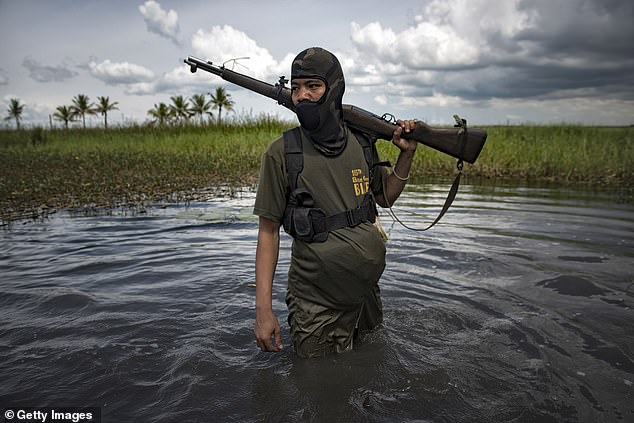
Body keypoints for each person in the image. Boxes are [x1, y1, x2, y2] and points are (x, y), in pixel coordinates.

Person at [253, 47, 417, 358]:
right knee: (319, 391)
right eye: (295, 87)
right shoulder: (282, 152)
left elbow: (384, 197)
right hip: (315, 304)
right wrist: (263, 311)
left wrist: (406, 155)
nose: (302, 95)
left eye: (313, 86)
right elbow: (268, 232)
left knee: (371, 378)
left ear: (335, 88)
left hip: (366, 296)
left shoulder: (361, 142)